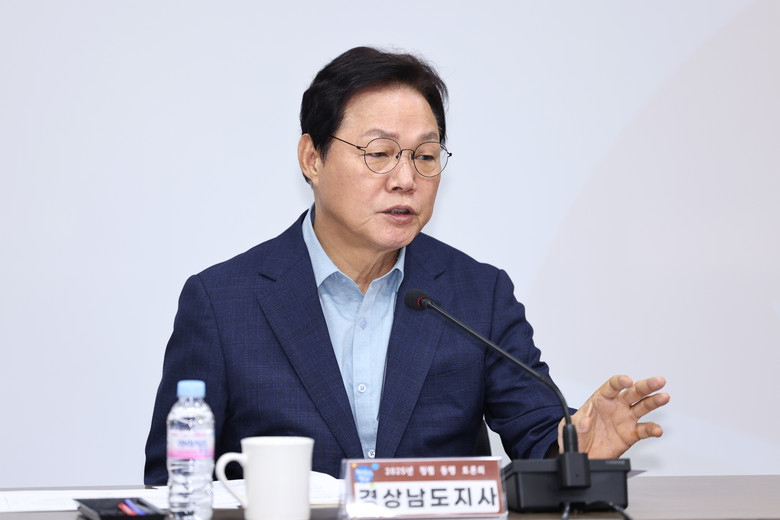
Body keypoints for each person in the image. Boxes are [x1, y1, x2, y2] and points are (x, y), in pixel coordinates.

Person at [144, 46, 669, 485]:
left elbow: (537, 433)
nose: (405, 179)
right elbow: (173, 482)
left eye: (425, 156)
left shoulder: (476, 294)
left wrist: (576, 446)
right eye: (380, 153)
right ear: (312, 158)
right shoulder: (223, 302)